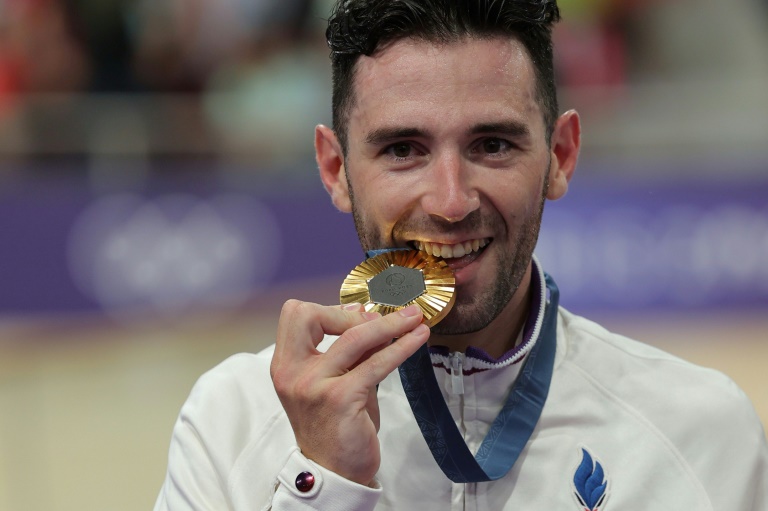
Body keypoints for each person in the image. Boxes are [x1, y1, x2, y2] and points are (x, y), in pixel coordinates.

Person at [154, 1, 768, 509]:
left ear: (560, 156)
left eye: (493, 143)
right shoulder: (229, 421)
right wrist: (320, 482)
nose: (450, 202)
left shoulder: (702, 432)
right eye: (402, 149)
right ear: (336, 169)